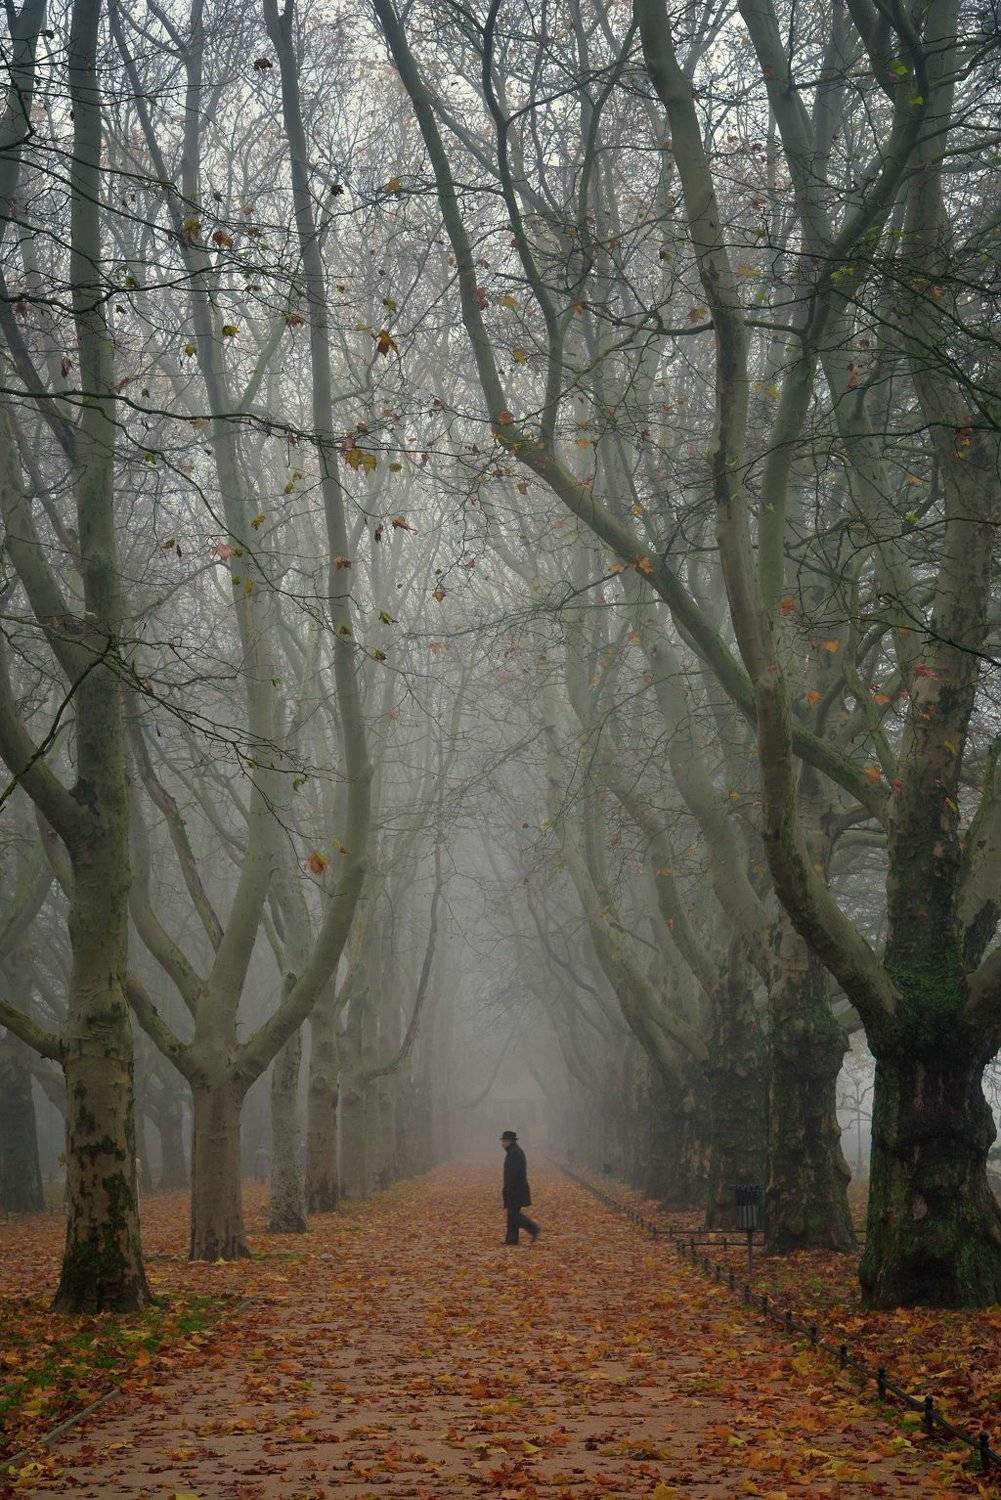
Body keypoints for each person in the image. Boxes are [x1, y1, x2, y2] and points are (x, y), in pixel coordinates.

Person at [500, 1130, 540, 1245]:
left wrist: (509, 1190)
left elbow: (513, 1174)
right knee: (512, 1214)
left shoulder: (514, 1153)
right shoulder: (513, 1151)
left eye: (503, 1141)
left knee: (513, 1214)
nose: (502, 1143)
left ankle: (533, 1228)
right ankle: (511, 1240)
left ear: (509, 1141)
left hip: (516, 1190)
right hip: (517, 1189)